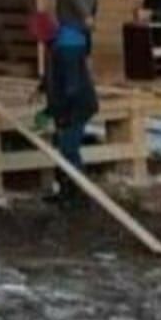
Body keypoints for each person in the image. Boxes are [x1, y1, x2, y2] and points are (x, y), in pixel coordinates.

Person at [31, 12, 99, 206]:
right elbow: (55, 74)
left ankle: (79, 194)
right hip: (70, 105)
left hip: (78, 106)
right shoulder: (58, 45)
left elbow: (71, 88)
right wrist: (43, 87)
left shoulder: (65, 50)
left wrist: (51, 112)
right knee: (63, 147)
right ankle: (66, 192)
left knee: (69, 149)